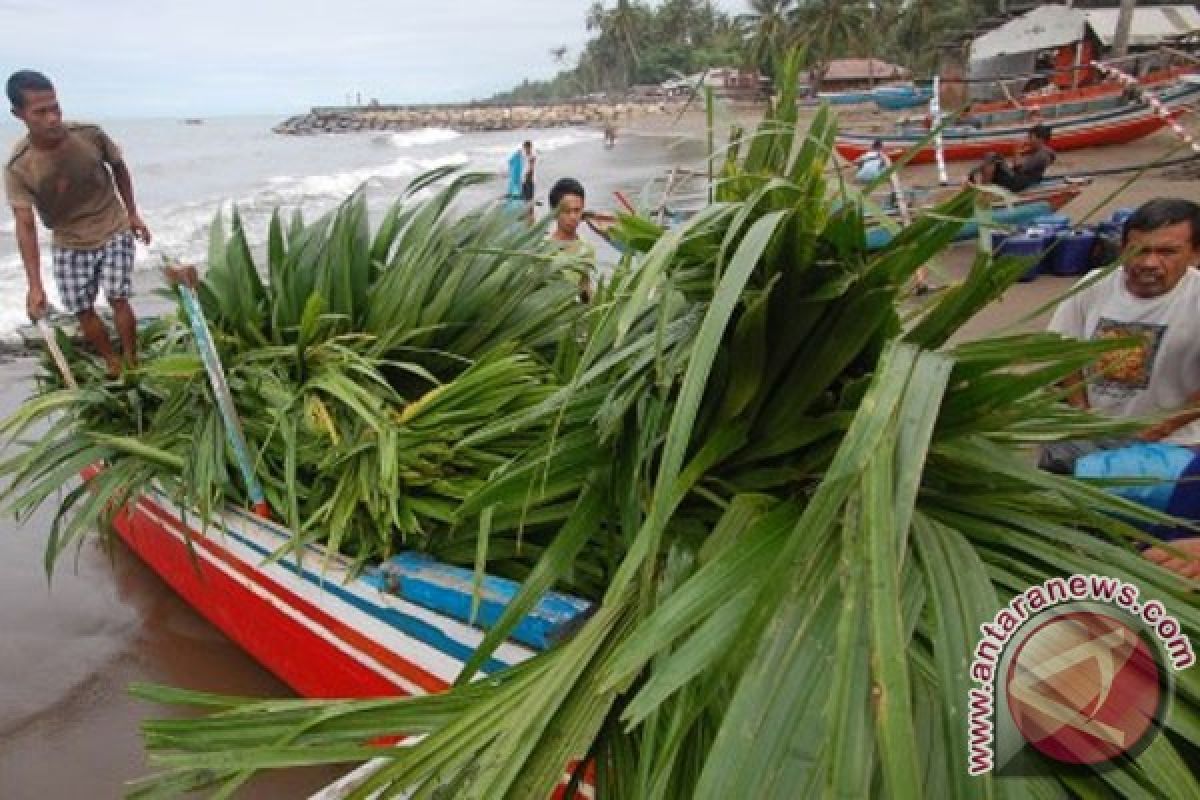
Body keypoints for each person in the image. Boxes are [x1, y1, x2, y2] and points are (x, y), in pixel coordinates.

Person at [1041, 197, 1200, 579]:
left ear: (1195, 254)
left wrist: (1155, 430)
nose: (1148, 263)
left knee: (1154, 547)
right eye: (1138, 250)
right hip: (1094, 431)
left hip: (1175, 445)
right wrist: (1083, 416)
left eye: (1167, 251)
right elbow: (1063, 355)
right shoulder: (1093, 287)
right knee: (1064, 511)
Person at [5, 70, 151, 377]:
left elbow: (119, 168)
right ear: (19, 114)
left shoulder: (89, 134)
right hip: (69, 241)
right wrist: (35, 285)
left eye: (55, 107)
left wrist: (133, 213)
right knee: (82, 308)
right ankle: (112, 362)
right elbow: (25, 226)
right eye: (40, 112)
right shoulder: (20, 166)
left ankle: (133, 361)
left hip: (112, 224)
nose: (52, 118)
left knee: (117, 296)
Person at [968, 124, 1055, 192]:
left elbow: (1019, 169)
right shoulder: (1040, 151)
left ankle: (984, 190)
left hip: (1019, 183)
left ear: (1040, 139)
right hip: (1018, 179)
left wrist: (1016, 151)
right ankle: (981, 183)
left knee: (992, 156)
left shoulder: (1042, 155)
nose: (1028, 140)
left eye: (1031, 137)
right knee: (993, 157)